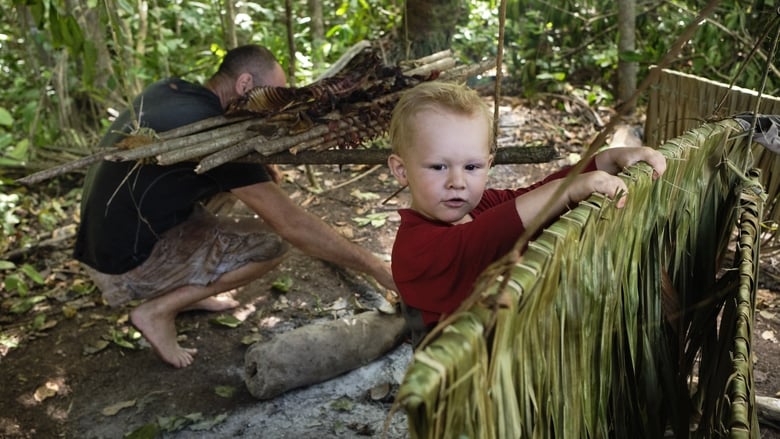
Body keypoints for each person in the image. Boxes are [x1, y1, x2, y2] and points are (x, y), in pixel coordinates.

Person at [74, 44, 397, 368]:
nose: (275, 107)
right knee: (273, 245)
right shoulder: (214, 133)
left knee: (239, 194)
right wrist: (378, 269)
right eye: (274, 96)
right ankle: (158, 310)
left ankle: (188, 289)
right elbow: (293, 225)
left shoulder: (173, 90)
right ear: (244, 85)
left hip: (99, 244)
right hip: (125, 268)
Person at [386, 81, 667, 336]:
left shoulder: (480, 206)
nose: (457, 182)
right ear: (401, 170)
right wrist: (568, 190)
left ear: (489, 164)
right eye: (438, 167)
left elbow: (531, 197)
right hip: (461, 386)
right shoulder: (413, 249)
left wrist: (606, 160)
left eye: (472, 167)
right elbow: (488, 235)